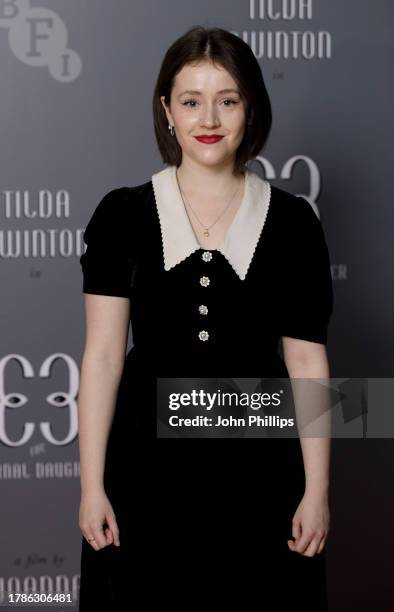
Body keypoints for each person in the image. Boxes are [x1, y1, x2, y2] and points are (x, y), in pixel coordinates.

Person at [77, 25, 334, 610]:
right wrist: (92, 485)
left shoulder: (294, 223)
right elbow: (102, 357)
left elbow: (306, 359)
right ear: (166, 111)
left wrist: (316, 489)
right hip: (144, 474)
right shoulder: (124, 215)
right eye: (190, 101)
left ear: (251, 109)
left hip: (263, 474)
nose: (208, 117)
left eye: (228, 100)